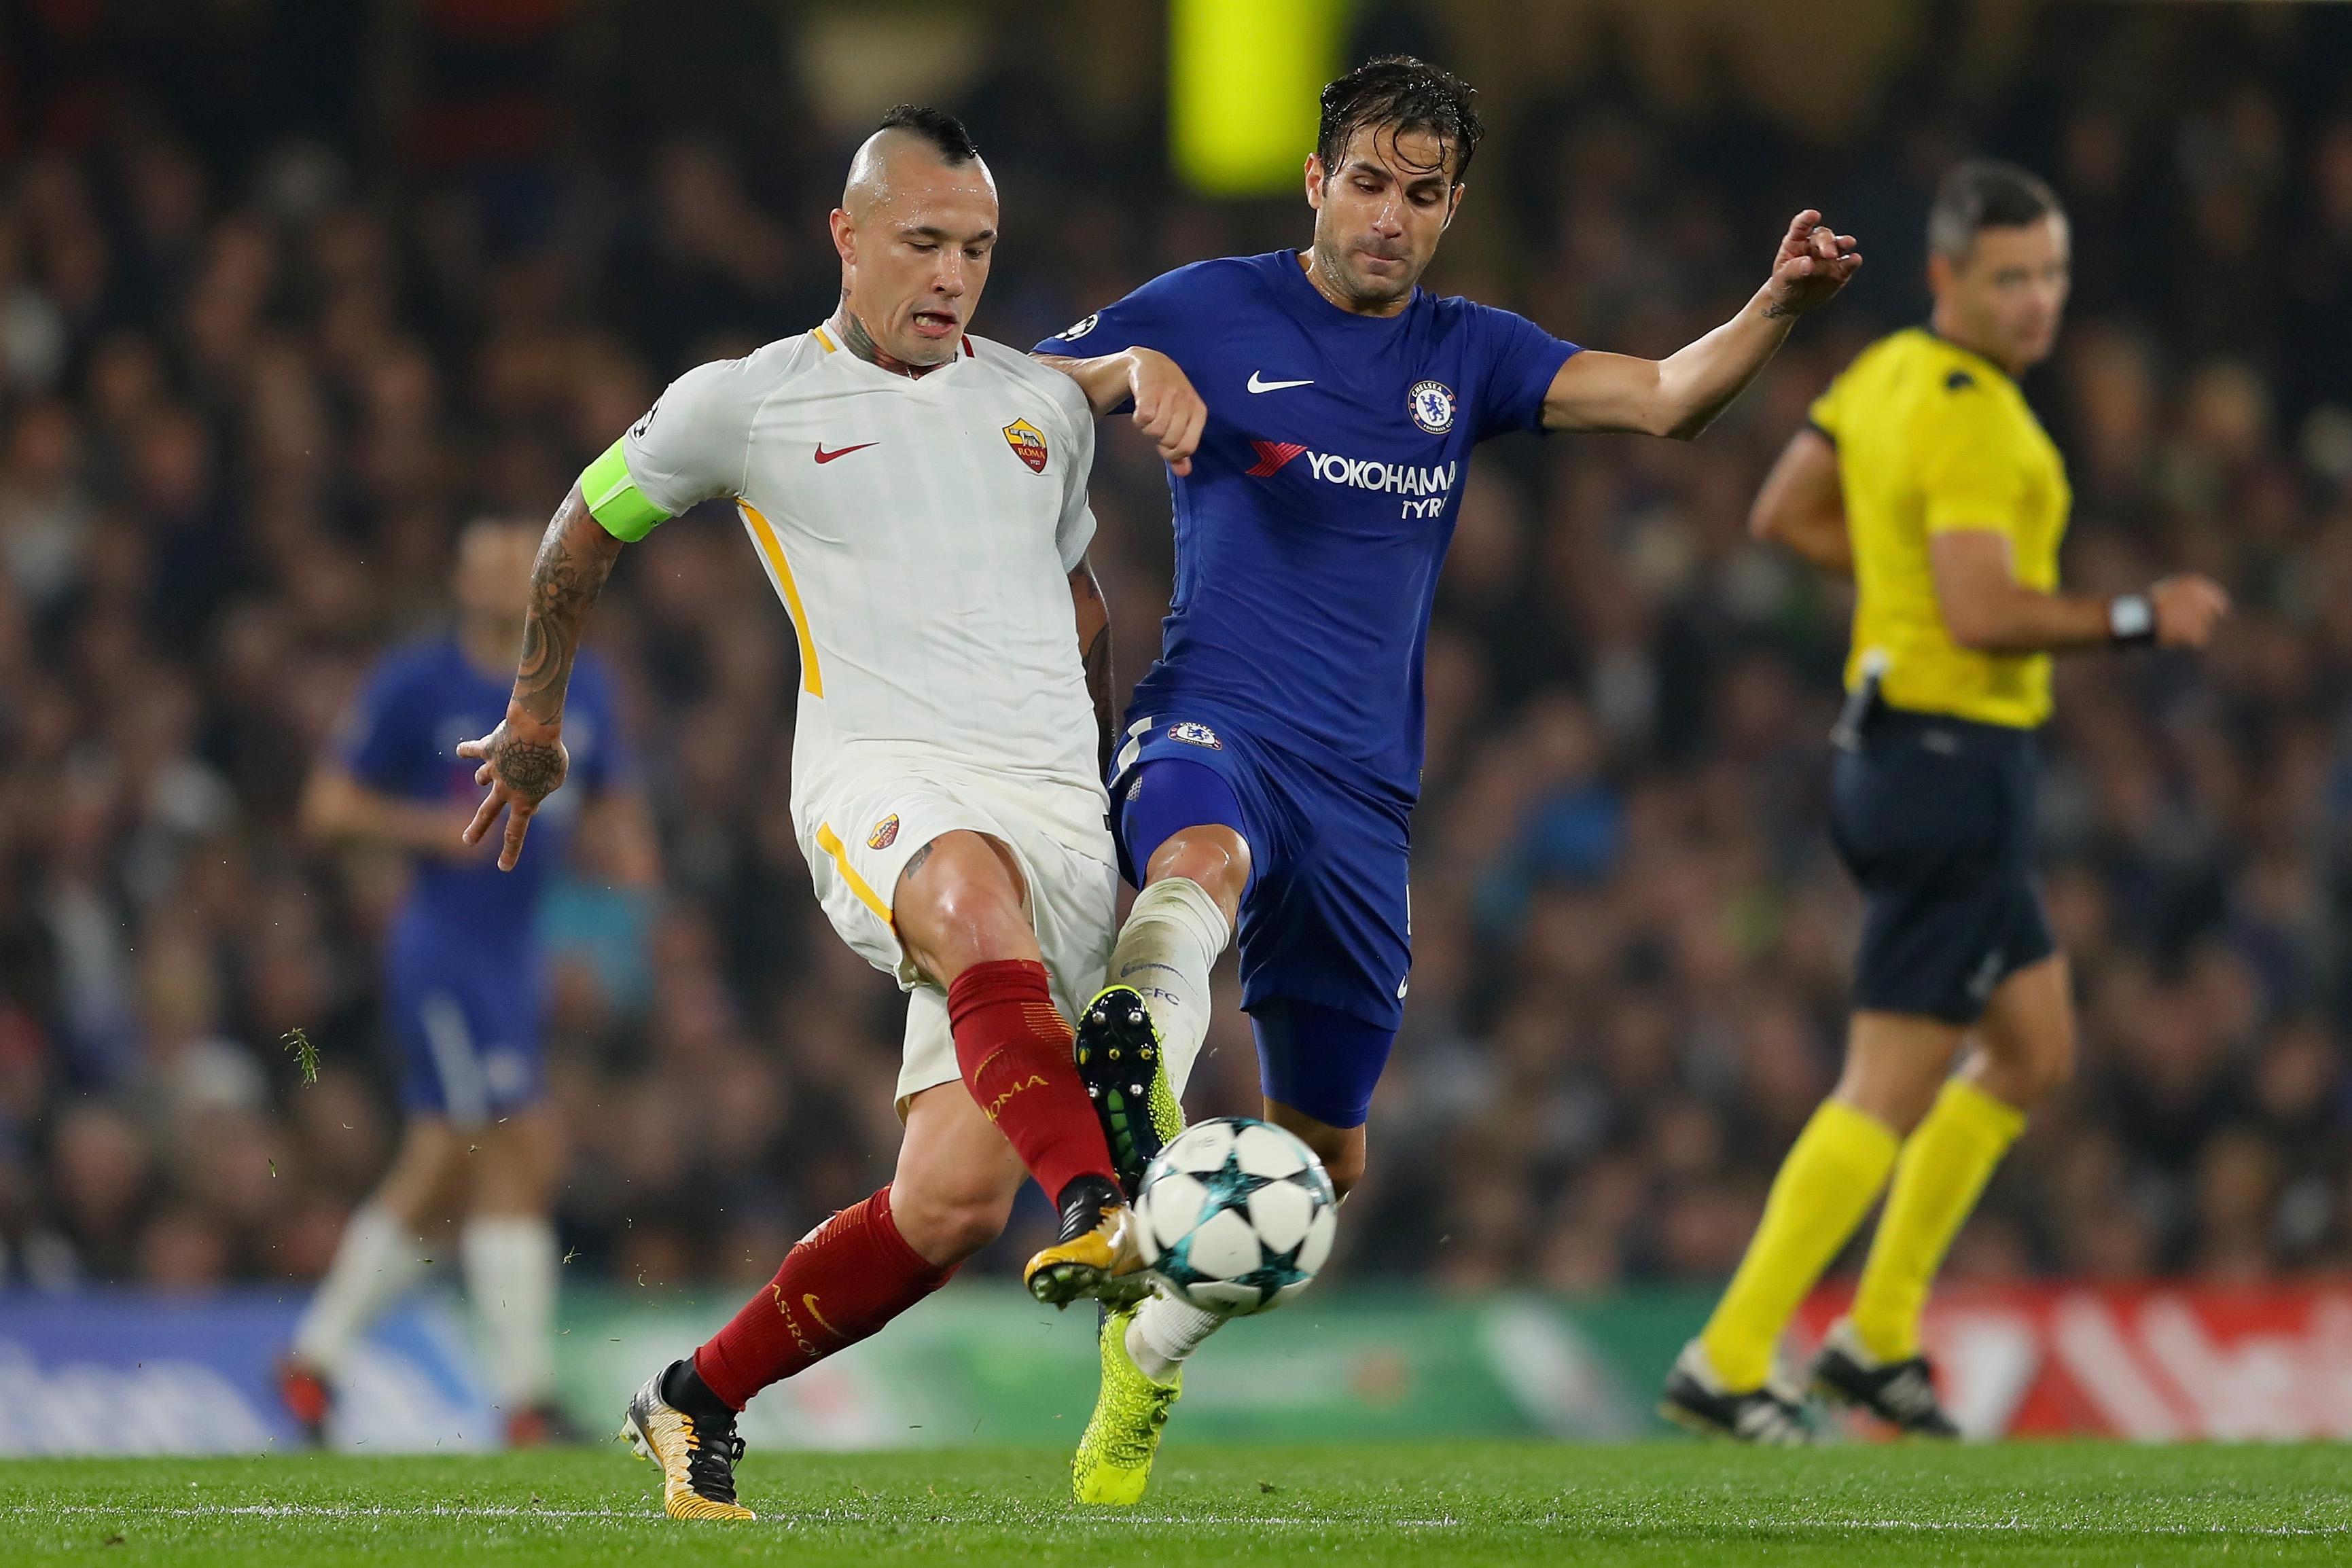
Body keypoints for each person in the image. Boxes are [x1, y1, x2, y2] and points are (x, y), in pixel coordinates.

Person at [1031, 54, 1861, 1502]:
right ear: (1315, 180)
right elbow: (1006, 398)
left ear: (1452, 206)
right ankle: (1133, 1095)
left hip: (1363, 798)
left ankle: (1146, 1356)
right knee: (1192, 871)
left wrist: (1778, 308)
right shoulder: (1210, 309)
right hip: (1214, 717)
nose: (1389, 219)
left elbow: (1667, 398)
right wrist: (1118, 370)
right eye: (1367, 184)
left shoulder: (1467, 352)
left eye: (1422, 196)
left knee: (1320, 1173)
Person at [456, 107, 1202, 1522]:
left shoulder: (1038, 407)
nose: (953, 274)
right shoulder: (745, 401)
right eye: (923, 241)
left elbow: (1080, 602)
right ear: (846, 239)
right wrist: (540, 710)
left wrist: (1106, 776)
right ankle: (1101, 1202)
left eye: (978, 248)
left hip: (1049, 802)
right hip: (883, 783)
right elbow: (584, 518)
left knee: (946, 1207)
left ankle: (692, 1396)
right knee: (969, 896)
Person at [1662, 160, 2230, 1442]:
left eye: (2051, 274)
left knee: (2032, 1047)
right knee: (1886, 1082)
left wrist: (1903, 588)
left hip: (1901, 756)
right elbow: (1978, 612)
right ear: (1947, 278)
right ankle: (1733, 1352)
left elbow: (1782, 512)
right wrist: (2140, 616)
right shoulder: (1977, 419)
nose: (2037, 301)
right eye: (2011, 276)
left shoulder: (1883, 378)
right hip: (1948, 765)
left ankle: (1876, 1336)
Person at [278, 517, 654, 1447]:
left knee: (452, 1163)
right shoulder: (419, 681)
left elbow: (622, 825)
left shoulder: (582, 684)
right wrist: (442, 828)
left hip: (518, 954)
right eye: (483, 566)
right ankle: (521, 1398)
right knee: (515, 1144)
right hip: (442, 945)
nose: (501, 583)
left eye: (516, 567)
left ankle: (313, 1364)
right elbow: (327, 808)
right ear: (459, 582)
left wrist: (616, 867)